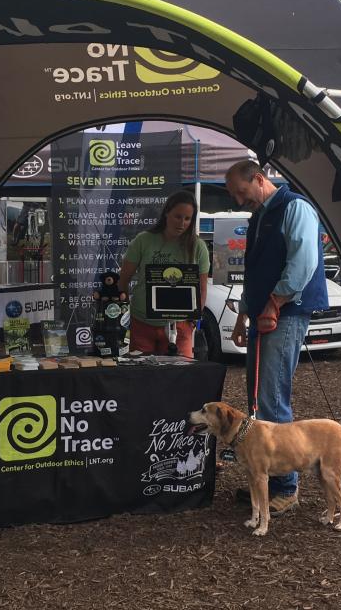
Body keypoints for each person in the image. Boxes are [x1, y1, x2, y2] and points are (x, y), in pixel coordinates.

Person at [223, 160, 327, 513]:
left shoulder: (294, 207)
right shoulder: (261, 215)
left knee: (271, 397)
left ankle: (286, 486)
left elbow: (303, 261)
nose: (239, 201)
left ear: (259, 178)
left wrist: (275, 301)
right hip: (266, 312)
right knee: (256, 397)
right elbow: (254, 273)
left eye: (241, 192)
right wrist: (243, 315)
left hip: (284, 312)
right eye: (235, 195)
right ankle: (263, 479)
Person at [117, 190, 210, 357]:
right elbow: (123, 280)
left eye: (187, 219)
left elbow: (202, 289)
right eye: (178, 216)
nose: (182, 223)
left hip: (180, 326)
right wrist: (125, 314)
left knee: (180, 378)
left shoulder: (198, 247)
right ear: (167, 213)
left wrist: (194, 318)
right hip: (142, 323)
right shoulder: (143, 240)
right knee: (142, 377)